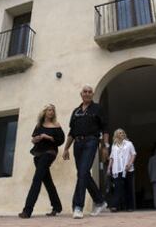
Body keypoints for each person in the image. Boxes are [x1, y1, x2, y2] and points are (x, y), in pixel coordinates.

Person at [62, 85, 109, 219]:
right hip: (77, 143)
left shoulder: (97, 108)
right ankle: (100, 201)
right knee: (83, 174)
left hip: (91, 141)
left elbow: (105, 128)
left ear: (92, 94)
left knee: (82, 172)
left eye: (90, 92)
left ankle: (78, 207)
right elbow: (72, 132)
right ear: (81, 94)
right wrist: (66, 148)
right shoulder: (76, 111)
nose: (87, 94)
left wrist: (105, 146)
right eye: (85, 92)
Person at [19, 104, 65, 218]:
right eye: (49, 110)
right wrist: (37, 138)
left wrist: (48, 137)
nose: (51, 112)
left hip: (50, 153)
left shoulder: (56, 125)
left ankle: (27, 210)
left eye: (53, 111)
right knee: (47, 181)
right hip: (38, 154)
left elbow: (61, 140)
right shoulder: (39, 125)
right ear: (44, 112)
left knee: (37, 179)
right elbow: (33, 140)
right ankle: (57, 207)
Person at [107, 128, 136, 212]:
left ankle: (130, 207)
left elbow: (133, 154)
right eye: (120, 133)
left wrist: (130, 164)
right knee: (117, 188)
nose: (122, 134)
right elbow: (111, 158)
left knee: (128, 188)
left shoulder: (129, 144)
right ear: (116, 135)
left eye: (123, 132)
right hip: (117, 170)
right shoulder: (114, 146)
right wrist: (109, 168)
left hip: (128, 169)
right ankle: (115, 206)